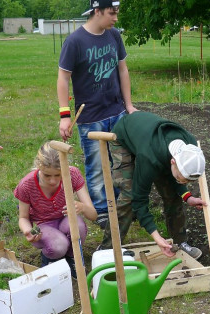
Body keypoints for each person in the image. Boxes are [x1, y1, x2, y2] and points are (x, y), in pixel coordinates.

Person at [57, 0, 137, 229]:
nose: (116, 18)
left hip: (117, 111)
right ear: (97, 11)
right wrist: (65, 115)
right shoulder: (75, 41)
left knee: (122, 161)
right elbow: (63, 78)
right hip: (91, 117)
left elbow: (122, 69)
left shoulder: (114, 36)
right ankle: (102, 210)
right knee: (96, 166)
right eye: (112, 13)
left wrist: (128, 105)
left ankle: (124, 206)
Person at [100, 111, 206, 258]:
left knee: (173, 195)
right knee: (129, 196)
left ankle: (179, 243)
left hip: (148, 140)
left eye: (187, 181)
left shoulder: (190, 148)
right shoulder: (150, 159)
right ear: (173, 162)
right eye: (181, 178)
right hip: (123, 136)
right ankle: (107, 249)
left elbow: (175, 179)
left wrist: (187, 197)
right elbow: (139, 199)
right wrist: (156, 237)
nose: (184, 183)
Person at [14, 141, 97, 276]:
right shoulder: (27, 185)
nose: (53, 181)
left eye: (58, 175)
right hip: (44, 226)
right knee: (58, 246)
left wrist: (82, 207)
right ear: (38, 167)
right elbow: (23, 217)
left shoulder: (72, 175)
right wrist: (28, 230)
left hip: (65, 220)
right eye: (47, 175)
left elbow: (93, 215)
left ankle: (72, 257)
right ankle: (51, 258)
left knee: (78, 226)